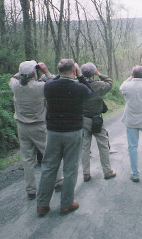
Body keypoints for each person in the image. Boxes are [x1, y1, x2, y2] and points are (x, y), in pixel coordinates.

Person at [36, 59, 93, 216]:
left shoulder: (48, 86)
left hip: (53, 132)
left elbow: (53, 80)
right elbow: (90, 93)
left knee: (48, 167)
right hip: (73, 132)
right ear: (74, 71)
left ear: (59, 71)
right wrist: (80, 76)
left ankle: (42, 204)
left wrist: (51, 74)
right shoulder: (79, 88)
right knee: (70, 168)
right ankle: (66, 204)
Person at [9, 60, 63, 200]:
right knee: (50, 155)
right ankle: (58, 182)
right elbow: (54, 85)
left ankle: (31, 190)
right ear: (34, 73)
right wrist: (45, 71)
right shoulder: (40, 87)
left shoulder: (15, 86)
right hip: (39, 126)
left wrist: (24, 71)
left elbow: (14, 78)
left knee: (27, 160)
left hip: (22, 126)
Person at [80, 62, 116, 182]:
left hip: (83, 119)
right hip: (96, 120)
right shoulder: (100, 85)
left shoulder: (77, 85)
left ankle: (86, 173)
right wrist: (99, 74)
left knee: (85, 147)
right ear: (93, 74)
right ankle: (107, 171)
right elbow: (110, 82)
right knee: (103, 145)